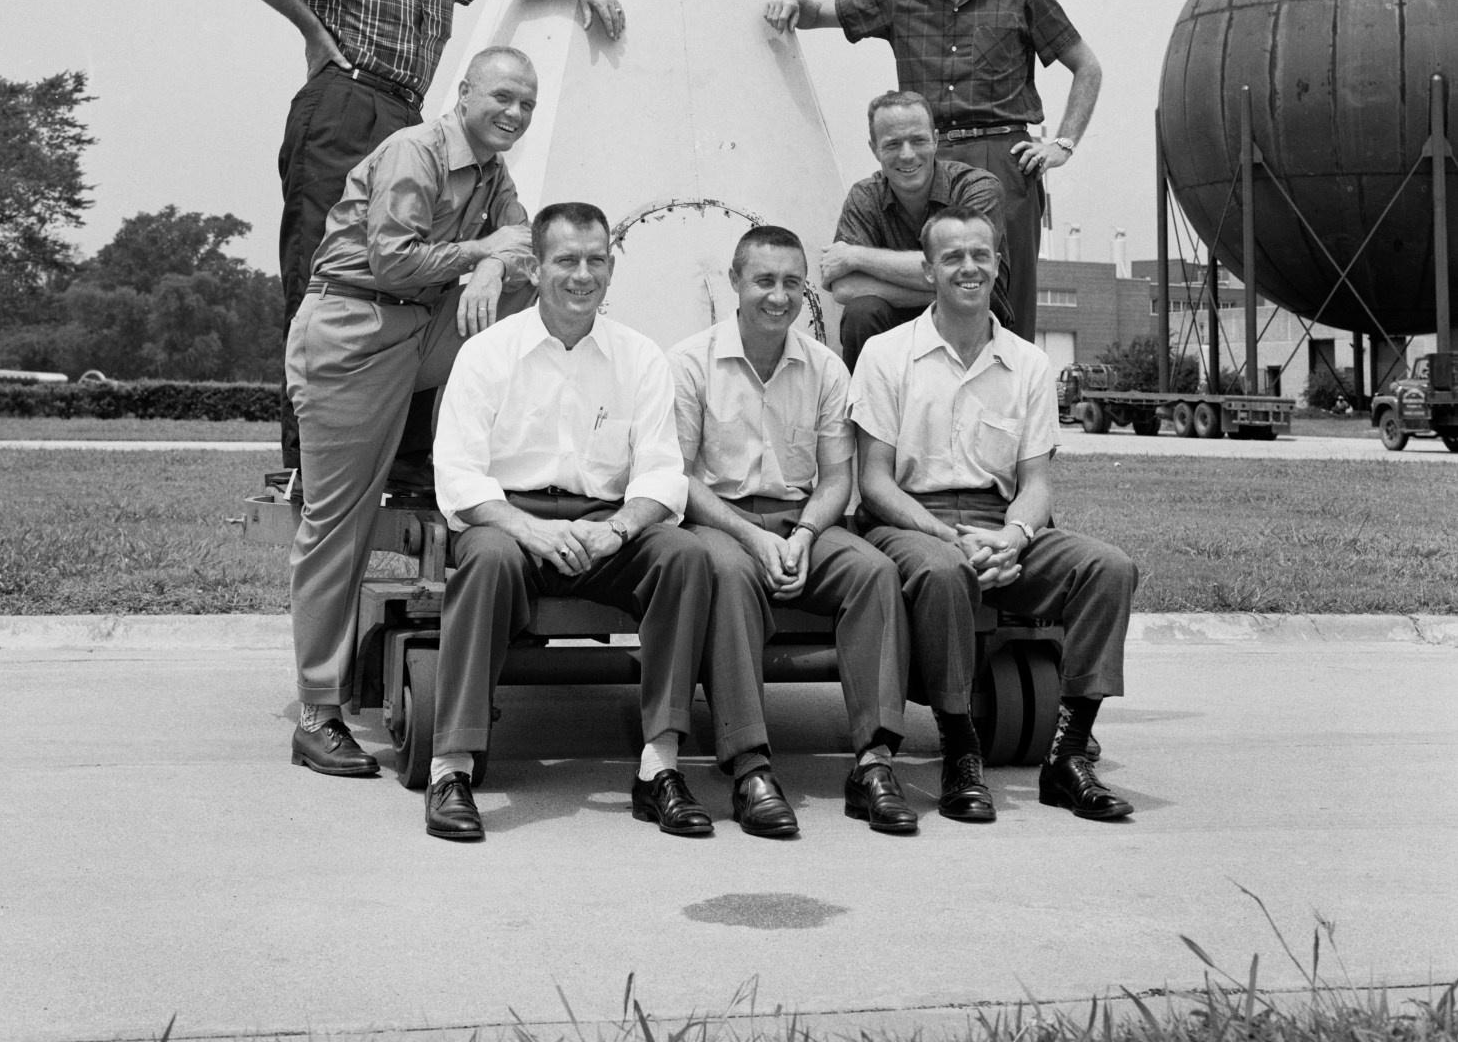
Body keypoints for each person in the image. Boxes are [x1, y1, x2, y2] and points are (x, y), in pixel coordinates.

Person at [227, 0, 627, 480]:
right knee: (326, 282)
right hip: (346, 104)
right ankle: (311, 463)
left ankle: (405, 456)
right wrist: (311, 30)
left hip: (409, 118)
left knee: (419, 284)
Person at [425, 203, 716, 844]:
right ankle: (453, 768)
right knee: (486, 560)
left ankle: (659, 767)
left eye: (596, 261)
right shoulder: (485, 354)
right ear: (534, 267)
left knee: (684, 556)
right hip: (509, 521)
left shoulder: (639, 358)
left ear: (611, 269)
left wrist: (616, 530)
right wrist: (532, 532)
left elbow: (663, 473)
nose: (582, 276)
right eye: (566, 260)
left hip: (603, 526)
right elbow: (461, 477)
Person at [286, 47, 539, 779]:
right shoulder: (414, 151)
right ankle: (317, 712)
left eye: (525, 103)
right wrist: (481, 251)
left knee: (539, 283)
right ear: (462, 94)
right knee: (341, 524)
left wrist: (491, 261)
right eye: (501, 98)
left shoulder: (492, 170)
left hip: (418, 327)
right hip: (356, 329)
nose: (514, 114)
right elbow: (393, 262)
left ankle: (455, 448)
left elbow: (522, 236)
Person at [853, 208, 1138, 825]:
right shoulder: (885, 354)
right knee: (945, 571)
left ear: (998, 264)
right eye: (952, 256)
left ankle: (1066, 758)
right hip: (910, 520)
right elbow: (871, 481)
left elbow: (1036, 483)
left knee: (1109, 569)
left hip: (1002, 522)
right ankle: (961, 750)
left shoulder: (1028, 363)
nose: (969, 267)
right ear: (928, 271)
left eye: (981, 254)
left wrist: (1014, 535)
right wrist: (945, 536)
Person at [763, 0, 1100, 341]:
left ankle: (1013, 405)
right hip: (924, 166)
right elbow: (819, 11)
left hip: (1004, 158)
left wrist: (1062, 143)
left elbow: (1087, 66)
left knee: (1004, 300)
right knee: (928, 284)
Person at [670, 227, 919, 839]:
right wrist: (754, 540)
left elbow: (839, 478)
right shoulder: (689, 362)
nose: (778, 296)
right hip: (719, 519)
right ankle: (751, 768)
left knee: (874, 573)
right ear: (734, 281)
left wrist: (805, 534)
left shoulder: (826, 368)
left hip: (800, 517)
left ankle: (874, 762)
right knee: (726, 574)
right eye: (763, 280)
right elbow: (676, 479)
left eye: (790, 282)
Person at [823, 89, 1013, 370]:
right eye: (892, 144)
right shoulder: (865, 197)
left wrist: (855, 257)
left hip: (972, 326)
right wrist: (948, 290)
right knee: (862, 312)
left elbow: (967, 268)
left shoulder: (977, 188)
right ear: (874, 148)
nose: (907, 155)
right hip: (895, 328)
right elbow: (844, 287)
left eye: (918, 140)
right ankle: (865, 412)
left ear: (936, 140)